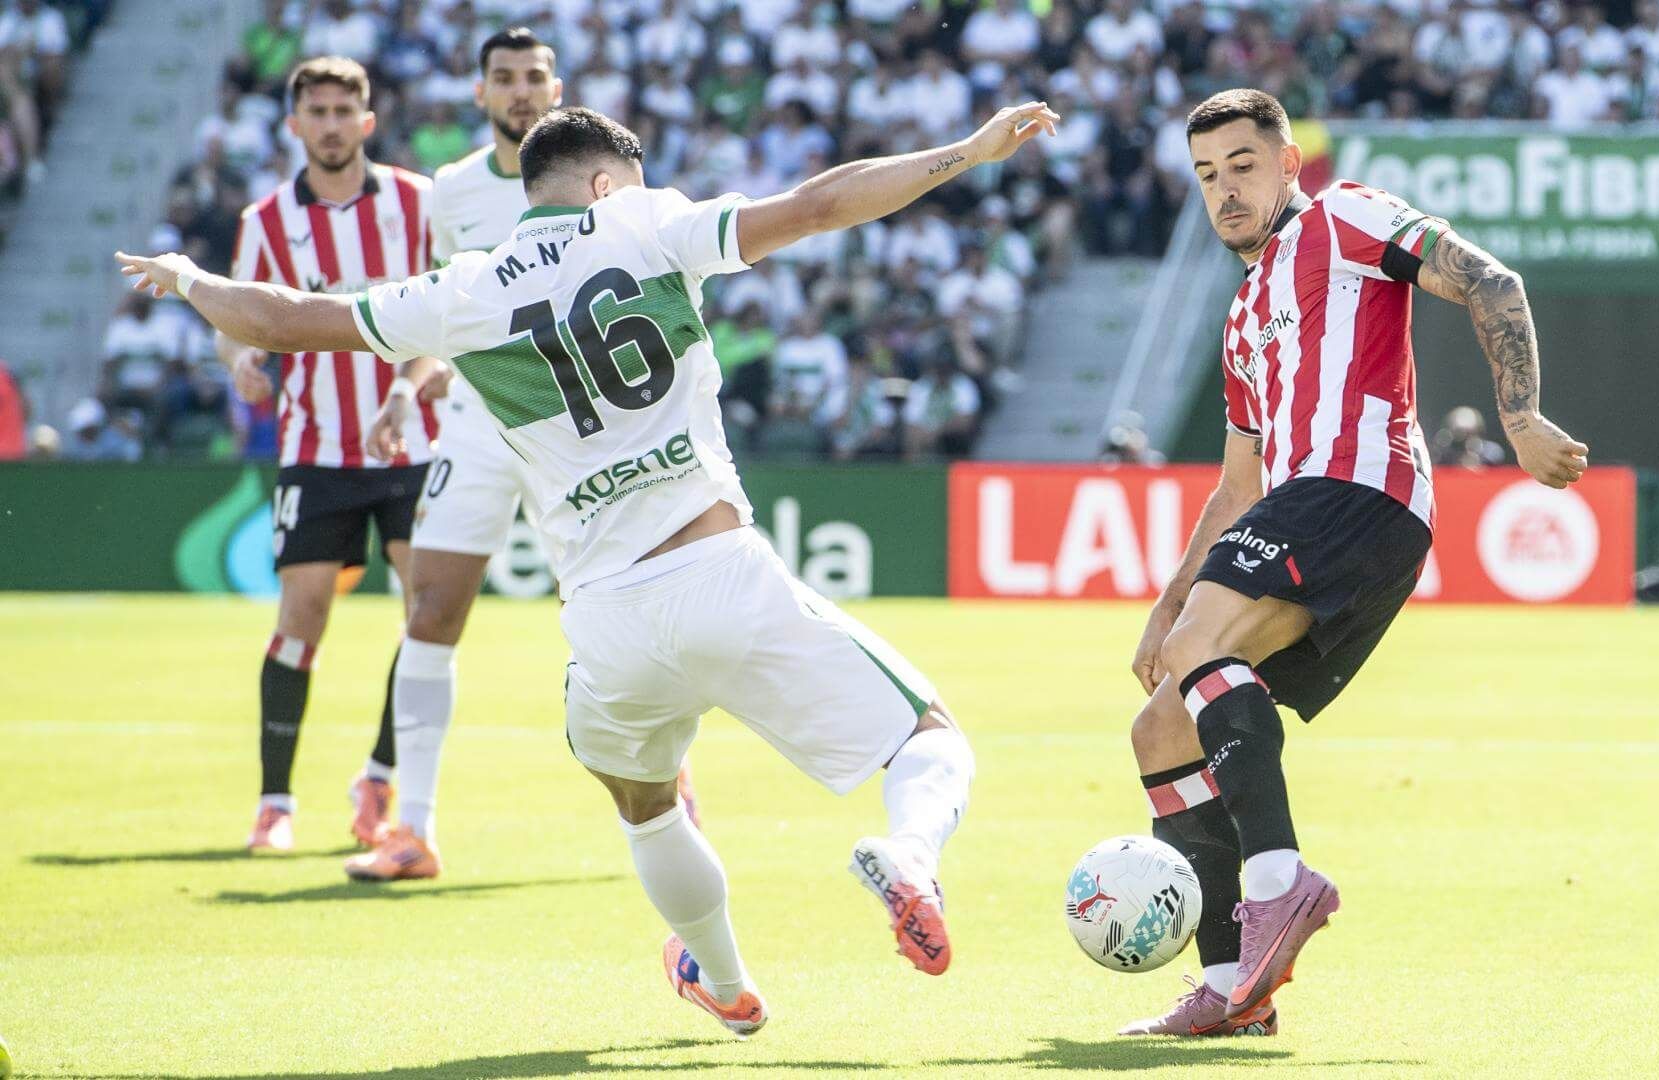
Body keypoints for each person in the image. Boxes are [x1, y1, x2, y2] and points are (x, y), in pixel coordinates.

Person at [119, 98, 1060, 1036]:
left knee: (648, 807)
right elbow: (818, 205)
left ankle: (726, 986)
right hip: (716, 564)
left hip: (606, 619)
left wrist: (191, 278)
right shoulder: (641, 221)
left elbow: (287, 320)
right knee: (931, 741)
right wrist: (966, 154)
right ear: (606, 183)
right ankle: (910, 858)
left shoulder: (464, 290)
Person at [1119, 89, 1587, 1038]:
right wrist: (1169, 607)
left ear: (1290, 164)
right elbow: (1236, 485)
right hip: (1304, 508)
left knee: (1204, 651)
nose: (1226, 192)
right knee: (1161, 729)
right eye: (1208, 176)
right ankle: (1229, 990)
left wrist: (1520, 417)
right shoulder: (1243, 318)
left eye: (1244, 166)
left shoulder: (1346, 216)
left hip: (1361, 489)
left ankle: (1280, 884)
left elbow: (1492, 282)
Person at [346, 26, 712, 886]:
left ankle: (669, 775)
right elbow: (449, 313)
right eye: (504, 78)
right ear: (480, 94)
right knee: (430, 612)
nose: (520, 91)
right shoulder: (455, 192)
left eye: (534, 77)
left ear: (557, 87)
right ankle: (415, 830)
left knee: (631, 610)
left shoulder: (602, 184)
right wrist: (407, 387)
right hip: (479, 421)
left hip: (580, 434)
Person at [221, 56, 440, 855]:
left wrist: (410, 388)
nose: (332, 124)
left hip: (415, 444)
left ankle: (379, 774)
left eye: (345, 110)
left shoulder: (418, 205)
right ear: (294, 124)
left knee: (428, 615)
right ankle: (274, 802)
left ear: (368, 121)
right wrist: (239, 360)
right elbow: (239, 317)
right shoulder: (267, 220)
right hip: (315, 449)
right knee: (301, 620)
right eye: (317, 110)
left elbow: (445, 318)